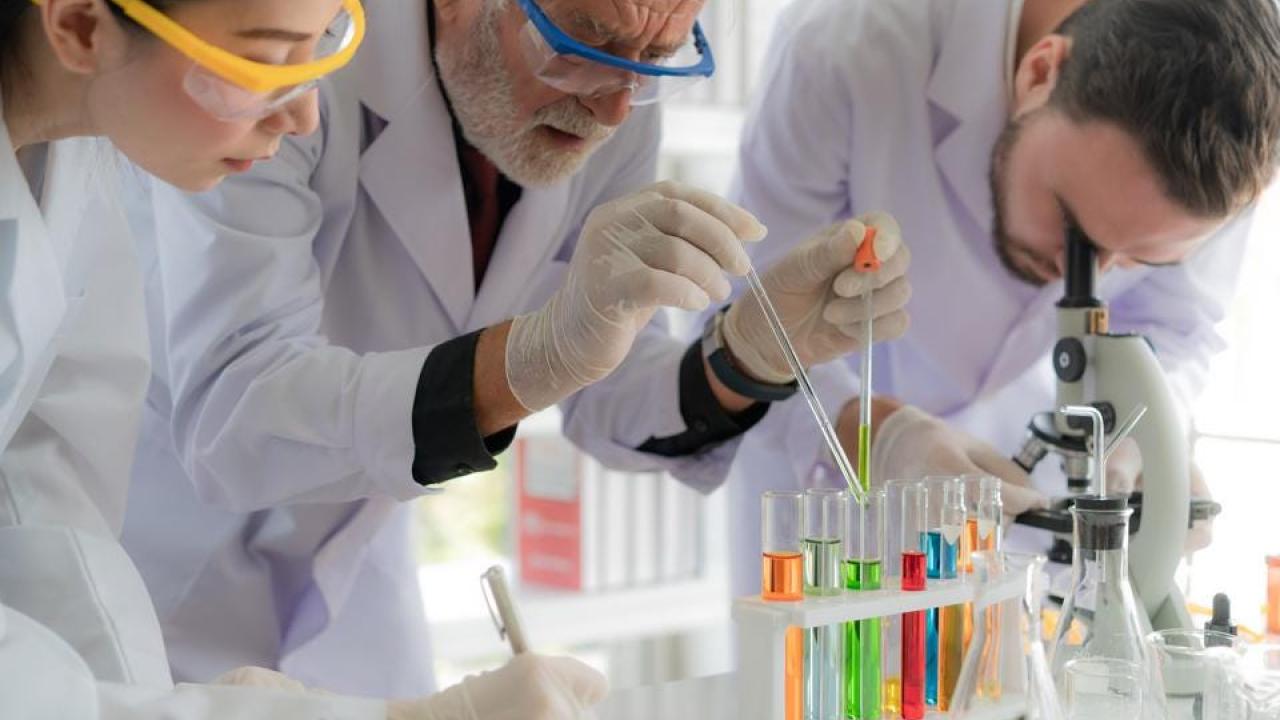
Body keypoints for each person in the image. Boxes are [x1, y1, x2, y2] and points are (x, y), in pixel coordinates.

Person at [120, 0, 912, 699]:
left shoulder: (619, 100)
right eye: (584, 44)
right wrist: (528, 361)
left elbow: (606, 393)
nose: (612, 111)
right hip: (156, 570)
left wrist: (749, 354)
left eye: (654, 62)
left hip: (358, 591)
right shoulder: (302, 53)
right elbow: (238, 410)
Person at [0, 0, 607, 716]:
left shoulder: (80, 154)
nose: (303, 118)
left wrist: (150, 698)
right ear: (79, 26)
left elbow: (44, 514)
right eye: (265, 59)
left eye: (321, 44)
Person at [724, 0, 1280, 595]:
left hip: (1028, 534)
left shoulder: (1233, 133)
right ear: (1041, 72)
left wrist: (1146, 430)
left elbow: (1175, 327)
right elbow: (745, 322)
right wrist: (877, 437)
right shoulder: (847, 50)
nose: (1082, 277)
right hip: (830, 524)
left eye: (1140, 258)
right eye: (1072, 224)